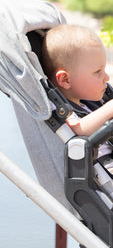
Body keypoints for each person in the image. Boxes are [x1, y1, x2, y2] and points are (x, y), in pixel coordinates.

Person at [41, 24, 113, 171]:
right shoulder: (63, 110)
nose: (106, 77)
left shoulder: (89, 103)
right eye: (98, 71)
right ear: (65, 80)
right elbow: (78, 129)